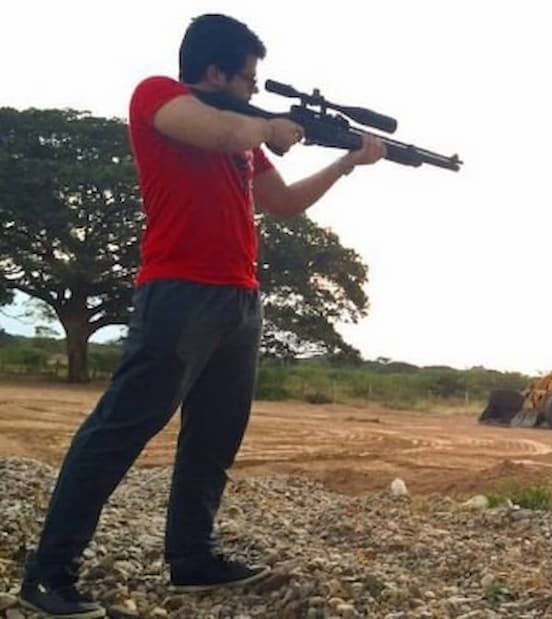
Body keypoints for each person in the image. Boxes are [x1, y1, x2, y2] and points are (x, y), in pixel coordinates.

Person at [19, 13, 386, 618]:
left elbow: (284, 204)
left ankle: (192, 559)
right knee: (120, 430)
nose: (252, 89)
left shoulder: (241, 135)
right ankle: (49, 572)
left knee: (214, 437)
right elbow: (220, 132)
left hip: (240, 297)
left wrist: (345, 163)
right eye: (246, 78)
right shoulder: (160, 96)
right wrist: (268, 126)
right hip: (179, 291)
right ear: (213, 71)